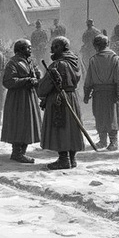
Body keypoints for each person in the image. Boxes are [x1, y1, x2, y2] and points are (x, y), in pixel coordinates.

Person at [37, 36, 85, 170]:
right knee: (72, 128)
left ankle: (64, 159)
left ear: (63, 47)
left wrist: (40, 88)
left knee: (61, 127)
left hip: (59, 98)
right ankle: (72, 159)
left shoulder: (58, 64)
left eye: (55, 46)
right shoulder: (76, 62)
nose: (52, 49)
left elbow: (44, 87)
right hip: (72, 97)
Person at [0, 39, 43, 163]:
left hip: (29, 96)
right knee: (19, 124)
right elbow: (8, 81)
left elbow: (36, 75)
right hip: (17, 99)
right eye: (28, 48)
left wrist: (36, 74)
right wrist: (27, 80)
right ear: (20, 49)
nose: (30, 49)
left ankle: (22, 152)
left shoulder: (29, 61)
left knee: (28, 124)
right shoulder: (12, 63)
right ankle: (17, 153)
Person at [83, 34, 119, 151]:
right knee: (113, 116)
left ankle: (103, 141)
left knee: (100, 116)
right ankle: (112, 142)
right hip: (113, 93)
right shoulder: (115, 59)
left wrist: (86, 94)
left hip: (98, 93)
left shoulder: (93, 60)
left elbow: (88, 80)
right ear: (108, 44)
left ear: (96, 46)